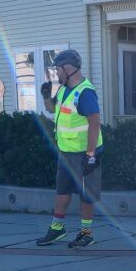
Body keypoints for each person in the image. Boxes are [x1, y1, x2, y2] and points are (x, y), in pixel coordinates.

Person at [37, 50, 103, 248]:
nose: (56, 74)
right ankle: (57, 228)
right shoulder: (65, 89)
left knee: (86, 195)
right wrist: (46, 96)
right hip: (66, 152)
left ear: (67, 69)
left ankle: (86, 233)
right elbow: (52, 109)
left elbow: (95, 123)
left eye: (57, 70)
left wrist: (90, 155)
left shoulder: (85, 92)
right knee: (62, 191)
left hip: (85, 153)